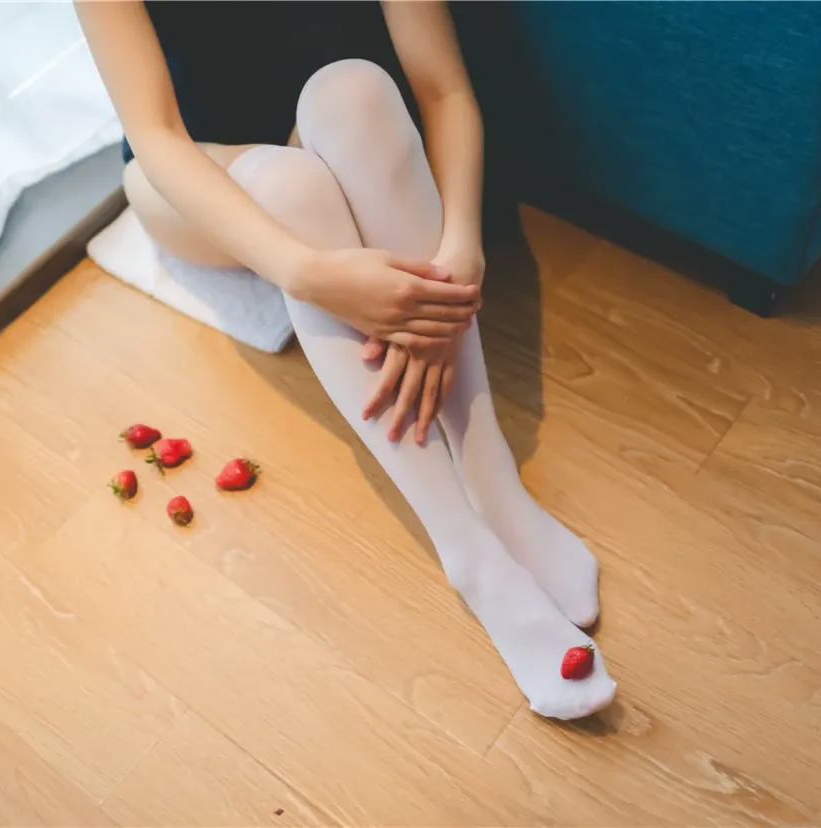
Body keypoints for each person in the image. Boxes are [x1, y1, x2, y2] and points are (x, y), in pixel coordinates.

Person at [76, 0, 615, 719]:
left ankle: (493, 480)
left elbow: (444, 91)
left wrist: (463, 243)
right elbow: (156, 134)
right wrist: (301, 272)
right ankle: (468, 551)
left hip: (335, 125)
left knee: (354, 87)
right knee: (289, 185)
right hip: (196, 171)